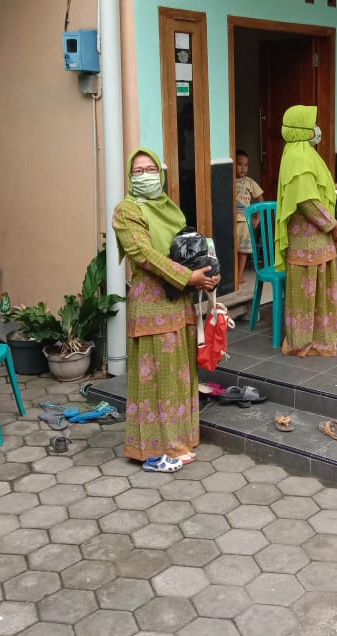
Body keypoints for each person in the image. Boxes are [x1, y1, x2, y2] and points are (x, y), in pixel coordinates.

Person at [112, 148, 219, 471]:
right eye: (138, 171)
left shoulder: (169, 209)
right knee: (155, 377)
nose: (145, 176)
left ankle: (179, 440)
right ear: (130, 178)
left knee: (179, 374)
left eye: (150, 169)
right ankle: (154, 449)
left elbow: (191, 243)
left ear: (161, 173)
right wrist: (188, 276)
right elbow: (142, 254)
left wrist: (210, 271)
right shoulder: (126, 211)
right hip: (151, 303)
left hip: (180, 300)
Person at [275, 105, 337, 357]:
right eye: (312, 124)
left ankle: (320, 337)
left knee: (318, 288)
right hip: (308, 238)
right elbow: (307, 202)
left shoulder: (302, 152)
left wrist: (332, 186)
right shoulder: (299, 156)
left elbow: (313, 186)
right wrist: (334, 226)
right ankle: (304, 341)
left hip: (317, 237)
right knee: (307, 291)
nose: (317, 129)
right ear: (300, 129)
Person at [234, 149, 264, 288]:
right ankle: (233, 276)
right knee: (234, 249)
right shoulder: (230, 181)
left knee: (243, 250)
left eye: (246, 165)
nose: (243, 168)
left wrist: (257, 216)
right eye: (240, 164)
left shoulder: (250, 182)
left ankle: (239, 277)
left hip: (245, 222)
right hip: (233, 221)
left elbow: (259, 198)